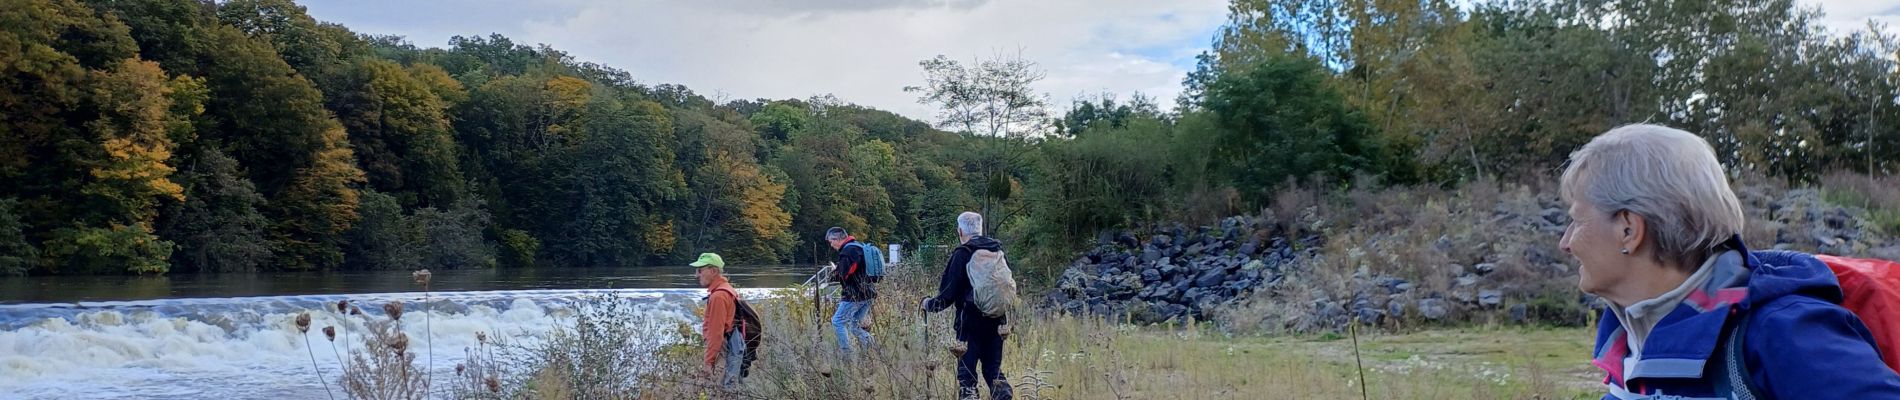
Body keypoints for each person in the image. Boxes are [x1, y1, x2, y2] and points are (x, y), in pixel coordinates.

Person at [1558, 124, 1900, 399]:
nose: (1565, 243)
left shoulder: (1783, 333)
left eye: (1578, 220)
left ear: (1629, 229)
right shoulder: (1629, 334)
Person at [923, 212, 1012, 400]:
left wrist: (928, 304)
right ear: (980, 229)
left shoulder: (963, 253)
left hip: (970, 322)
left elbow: (947, 294)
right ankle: (1004, 396)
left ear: (960, 230)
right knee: (993, 370)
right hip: (997, 320)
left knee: (967, 375)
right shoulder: (996, 250)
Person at [693, 253, 748, 387]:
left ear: (713, 271)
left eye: (700, 270)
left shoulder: (718, 296)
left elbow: (716, 335)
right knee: (733, 388)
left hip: (724, 351)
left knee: (722, 390)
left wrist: (708, 363)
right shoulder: (727, 290)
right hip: (733, 346)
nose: (696, 275)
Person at [827, 227, 877, 356]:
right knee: (854, 325)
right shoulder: (858, 247)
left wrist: (834, 272)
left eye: (831, 242)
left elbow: (844, 274)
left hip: (855, 295)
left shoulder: (848, 251)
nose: (831, 245)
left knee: (837, 321)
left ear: (837, 239)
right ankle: (873, 349)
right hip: (868, 293)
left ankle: (847, 355)